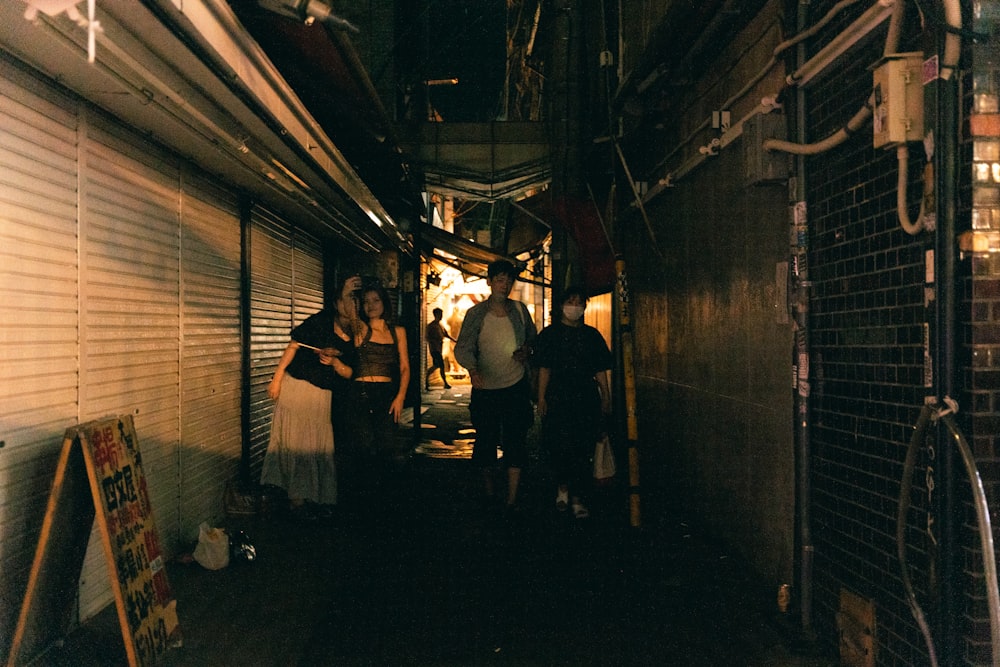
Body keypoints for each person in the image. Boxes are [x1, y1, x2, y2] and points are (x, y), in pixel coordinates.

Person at [260, 275, 359, 519]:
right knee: (295, 443)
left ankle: (315, 497)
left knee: (314, 446)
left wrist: (335, 361)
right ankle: (296, 501)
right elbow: (293, 346)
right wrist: (276, 379)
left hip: (322, 395)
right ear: (336, 303)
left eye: (357, 299)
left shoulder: (359, 332)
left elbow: (350, 372)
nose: (353, 304)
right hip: (296, 387)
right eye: (348, 298)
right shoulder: (321, 321)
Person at [454, 259, 536, 515]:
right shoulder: (476, 313)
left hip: (516, 385)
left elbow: (534, 343)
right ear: (489, 282)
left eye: (509, 281)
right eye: (500, 280)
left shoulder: (520, 311)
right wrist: (473, 369)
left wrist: (527, 352)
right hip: (486, 389)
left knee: (516, 440)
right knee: (485, 440)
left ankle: (511, 499)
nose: (505, 285)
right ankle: (489, 494)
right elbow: (463, 347)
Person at [533, 287, 612, 519]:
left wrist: (605, 397)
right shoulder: (549, 335)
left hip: (586, 398)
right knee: (558, 446)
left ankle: (577, 498)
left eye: (580, 303)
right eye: (571, 301)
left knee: (582, 447)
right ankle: (563, 488)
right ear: (561, 305)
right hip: (557, 398)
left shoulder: (592, 335)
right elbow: (544, 369)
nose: (575, 307)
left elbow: (600, 370)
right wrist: (541, 398)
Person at [351, 283, 410, 475]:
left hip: (386, 393)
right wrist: (347, 290)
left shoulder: (398, 331)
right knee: (363, 447)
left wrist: (400, 397)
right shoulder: (360, 329)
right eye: (366, 301)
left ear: (385, 302)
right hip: (361, 392)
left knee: (387, 446)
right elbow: (350, 311)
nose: (371, 305)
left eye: (376, 300)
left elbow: (404, 367)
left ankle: (383, 496)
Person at [425, 307, 455, 390]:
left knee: (437, 365)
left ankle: (427, 381)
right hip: (435, 349)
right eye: (440, 314)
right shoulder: (431, 326)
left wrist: (454, 340)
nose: (441, 316)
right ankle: (444, 383)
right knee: (440, 365)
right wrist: (434, 342)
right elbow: (428, 337)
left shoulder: (440, 325)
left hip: (439, 348)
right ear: (436, 315)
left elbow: (446, 334)